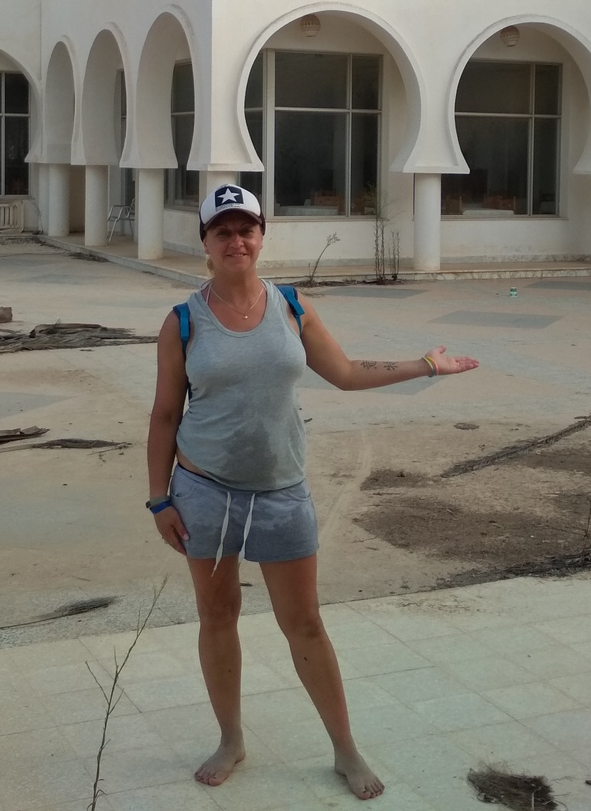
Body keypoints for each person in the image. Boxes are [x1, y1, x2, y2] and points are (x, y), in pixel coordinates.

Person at [147, 183, 479, 800]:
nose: (236, 240)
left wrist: (424, 365)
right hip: (202, 490)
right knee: (217, 616)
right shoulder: (184, 319)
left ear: (262, 236)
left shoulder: (291, 306)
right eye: (223, 231)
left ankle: (345, 750)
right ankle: (231, 739)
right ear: (207, 243)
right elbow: (165, 415)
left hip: (280, 492)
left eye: (246, 229)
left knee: (303, 623)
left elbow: (347, 374)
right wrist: (160, 499)